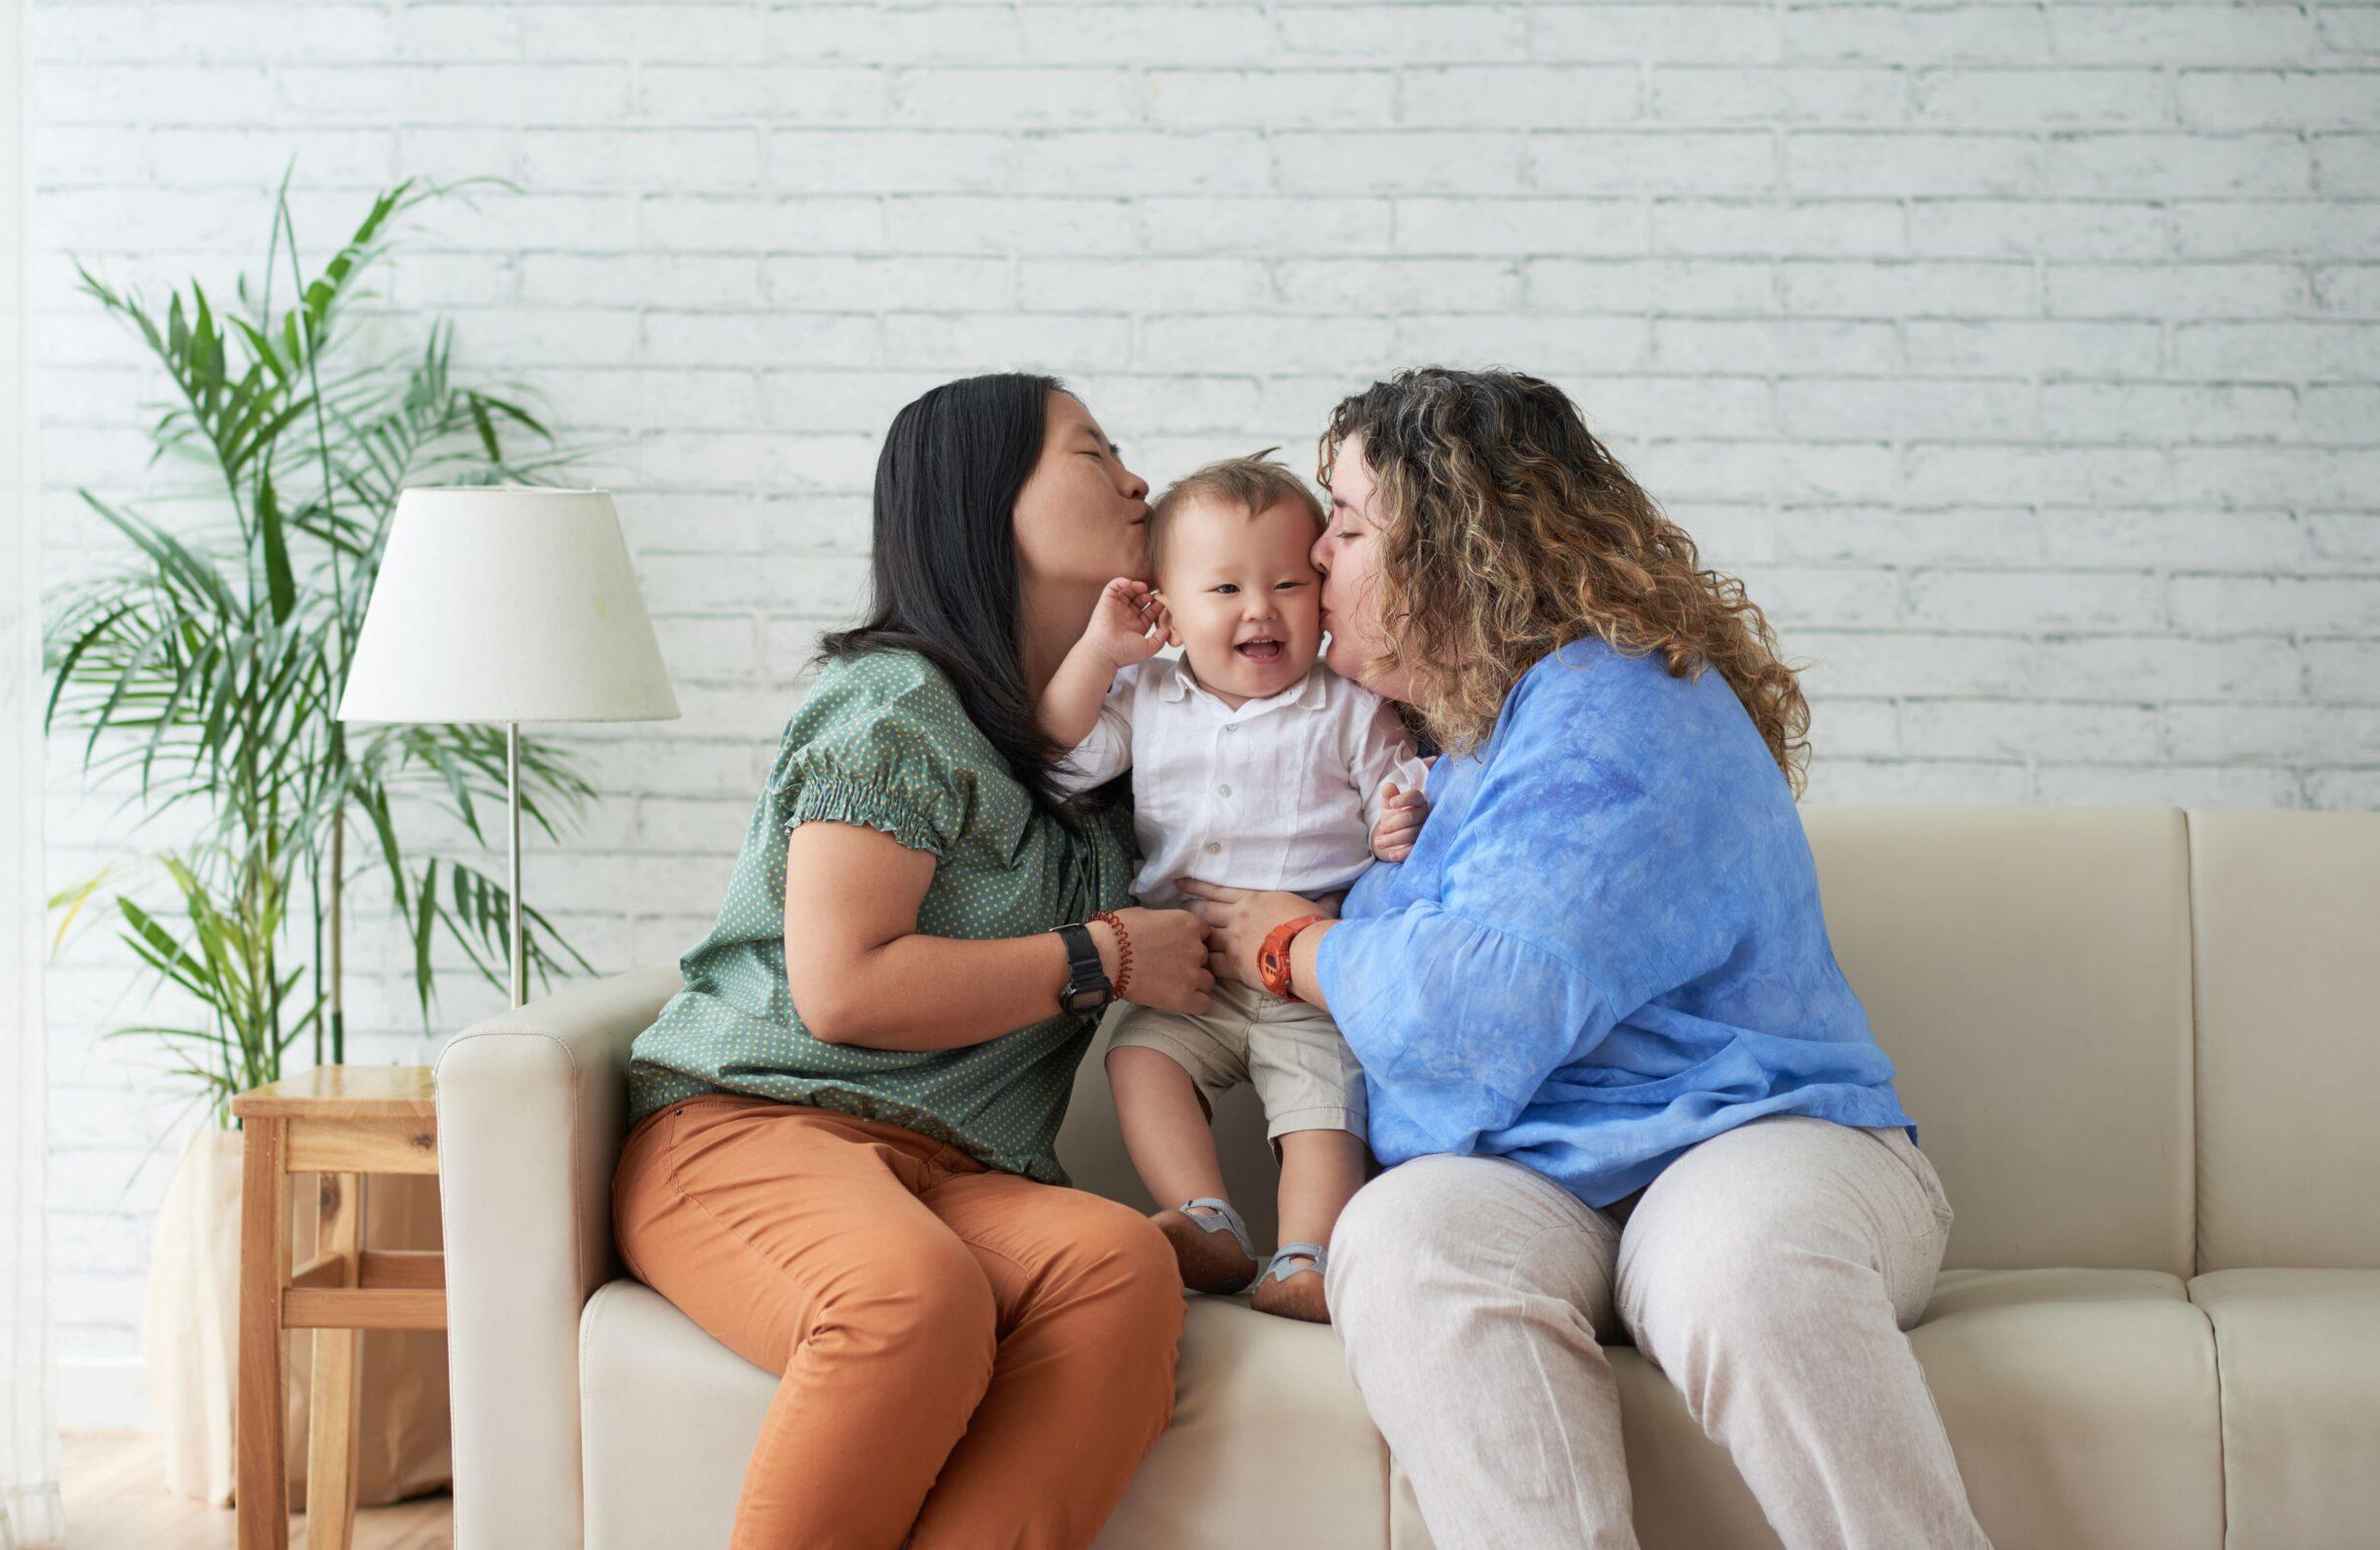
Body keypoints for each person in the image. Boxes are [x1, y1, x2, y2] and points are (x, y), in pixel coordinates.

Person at [1182, 367, 1992, 1550]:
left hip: (1747, 1135)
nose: (1314, 557)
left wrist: (1293, 939)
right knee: (1402, 1236)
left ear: (1456, 550)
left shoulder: (1622, 705)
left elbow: (1465, 1016)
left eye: (1347, 526)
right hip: (1539, 1181)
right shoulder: (1457, 754)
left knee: (1734, 1260)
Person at [614, 372, 1214, 1550]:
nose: (1137, 480)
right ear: (985, 501)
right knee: (910, 1296)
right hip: (750, 1130)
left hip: (959, 1168)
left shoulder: (1116, 745)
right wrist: (1103, 953)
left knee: (1116, 1265)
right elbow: (843, 987)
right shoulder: (895, 706)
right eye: (1094, 453)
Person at [1037, 453, 1428, 1323]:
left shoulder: (1350, 705)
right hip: (1192, 975)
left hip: (1309, 977)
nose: (1260, 609)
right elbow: (1061, 754)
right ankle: (1205, 1215)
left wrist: (1398, 821)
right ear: (1165, 608)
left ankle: (1308, 1257)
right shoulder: (1145, 694)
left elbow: (1404, 792)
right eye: (1224, 590)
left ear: (1321, 596)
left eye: (1288, 583)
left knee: (1321, 1107)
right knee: (1139, 1059)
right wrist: (1102, 650)